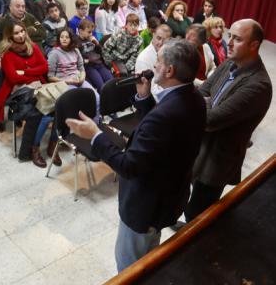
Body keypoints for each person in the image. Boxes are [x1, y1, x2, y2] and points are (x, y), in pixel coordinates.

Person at [67, 39, 206, 272]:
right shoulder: (194, 99)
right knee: (151, 255)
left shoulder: (167, 114)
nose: (154, 66)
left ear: (170, 70)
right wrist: (144, 98)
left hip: (146, 206)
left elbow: (129, 166)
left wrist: (95, 136)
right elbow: (164, 136)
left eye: (158, 62)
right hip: (169, 197)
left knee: (130, 267)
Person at [184, 19, 272, 223]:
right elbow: (204, 89)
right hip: (201, 147)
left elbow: (210, 120)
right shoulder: (231, 62)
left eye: (237, 39)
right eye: (229, 35)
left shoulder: (258, 85)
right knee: (190, 201)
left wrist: (203, 102)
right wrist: (204, 99)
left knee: (198, 214)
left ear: (254, 45)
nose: (229, 42)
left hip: (217, 160)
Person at [0, 21, 47, 163]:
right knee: (36, 113)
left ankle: (53, 145)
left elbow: (44, 67)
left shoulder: (33, 47)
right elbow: (13, 78)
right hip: (17, 92)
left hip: (38, 86)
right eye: (16, 33)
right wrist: (32, 76)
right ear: (9, 36)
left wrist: (25, 71)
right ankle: (26, 152)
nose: (20, 35)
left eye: (22, 31)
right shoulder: (7, 54)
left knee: (58, 106)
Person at [48, 28, 100, 107]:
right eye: (62, 37)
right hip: (64, 82)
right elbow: (50, 77)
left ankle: (96, 119)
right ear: (59, 39)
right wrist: (68, 81)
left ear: (71, 39)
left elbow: (81, 68)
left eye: (67, 37)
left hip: (78, 80)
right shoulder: (54, 53)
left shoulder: (75, 50)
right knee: (80, 102)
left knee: (96, 98)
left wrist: (82, 78)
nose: (64, 39)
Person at [135, 24, 172, 98]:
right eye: (158, 38)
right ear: (153, 35)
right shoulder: (143, 59)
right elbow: (150, 91)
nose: (160, 43)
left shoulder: (169, 51)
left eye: (164, 40)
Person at [76, 19, 114, 92]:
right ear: (80, 31)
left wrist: (96, 43)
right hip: (89, 67)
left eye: (92, 32)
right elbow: (77, 57)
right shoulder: (77, 42)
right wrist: (84, 60)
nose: (91, 34)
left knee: (111, 81)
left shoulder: (92, 39)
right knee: (101, 85)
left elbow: (101, 52)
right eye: (89, 32)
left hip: (99, 64)